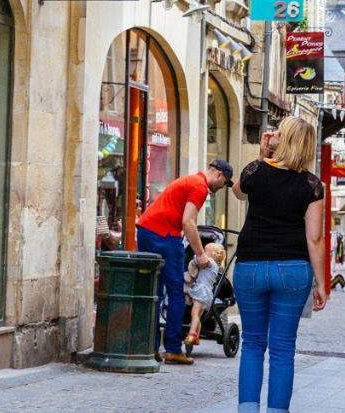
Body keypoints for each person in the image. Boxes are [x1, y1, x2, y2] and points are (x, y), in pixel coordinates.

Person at [231, 117, 329, 413]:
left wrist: (262, 156)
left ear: (280, 140)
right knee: (283, 350)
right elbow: (314, 238)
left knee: (251, 345)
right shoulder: (312, 184)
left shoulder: (255, 171)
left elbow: (237, 192)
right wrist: (322, 282)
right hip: (292, 268)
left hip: (250, 266)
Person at [135, 158, 234, 365]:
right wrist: (200, 254)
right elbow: (188, 221)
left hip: (147, 230)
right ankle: (172, 349)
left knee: (155, 291)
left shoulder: (190, 180)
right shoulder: (200, 187)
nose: (221, 187)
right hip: (164, 235)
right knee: (177, 292)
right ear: (219, 175)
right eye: (224, 183)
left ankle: (150, 348)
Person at [183, 241, 227, 346]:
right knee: (198, 316)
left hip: (201, 292)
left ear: (212, 255)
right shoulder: (215, 266)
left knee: (194, 313)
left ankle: (192, 334)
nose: (203, 252)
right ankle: (196, 336)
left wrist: (197, 255)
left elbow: (200, 260)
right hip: (205, 293)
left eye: (205, 251)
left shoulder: (210, 263)